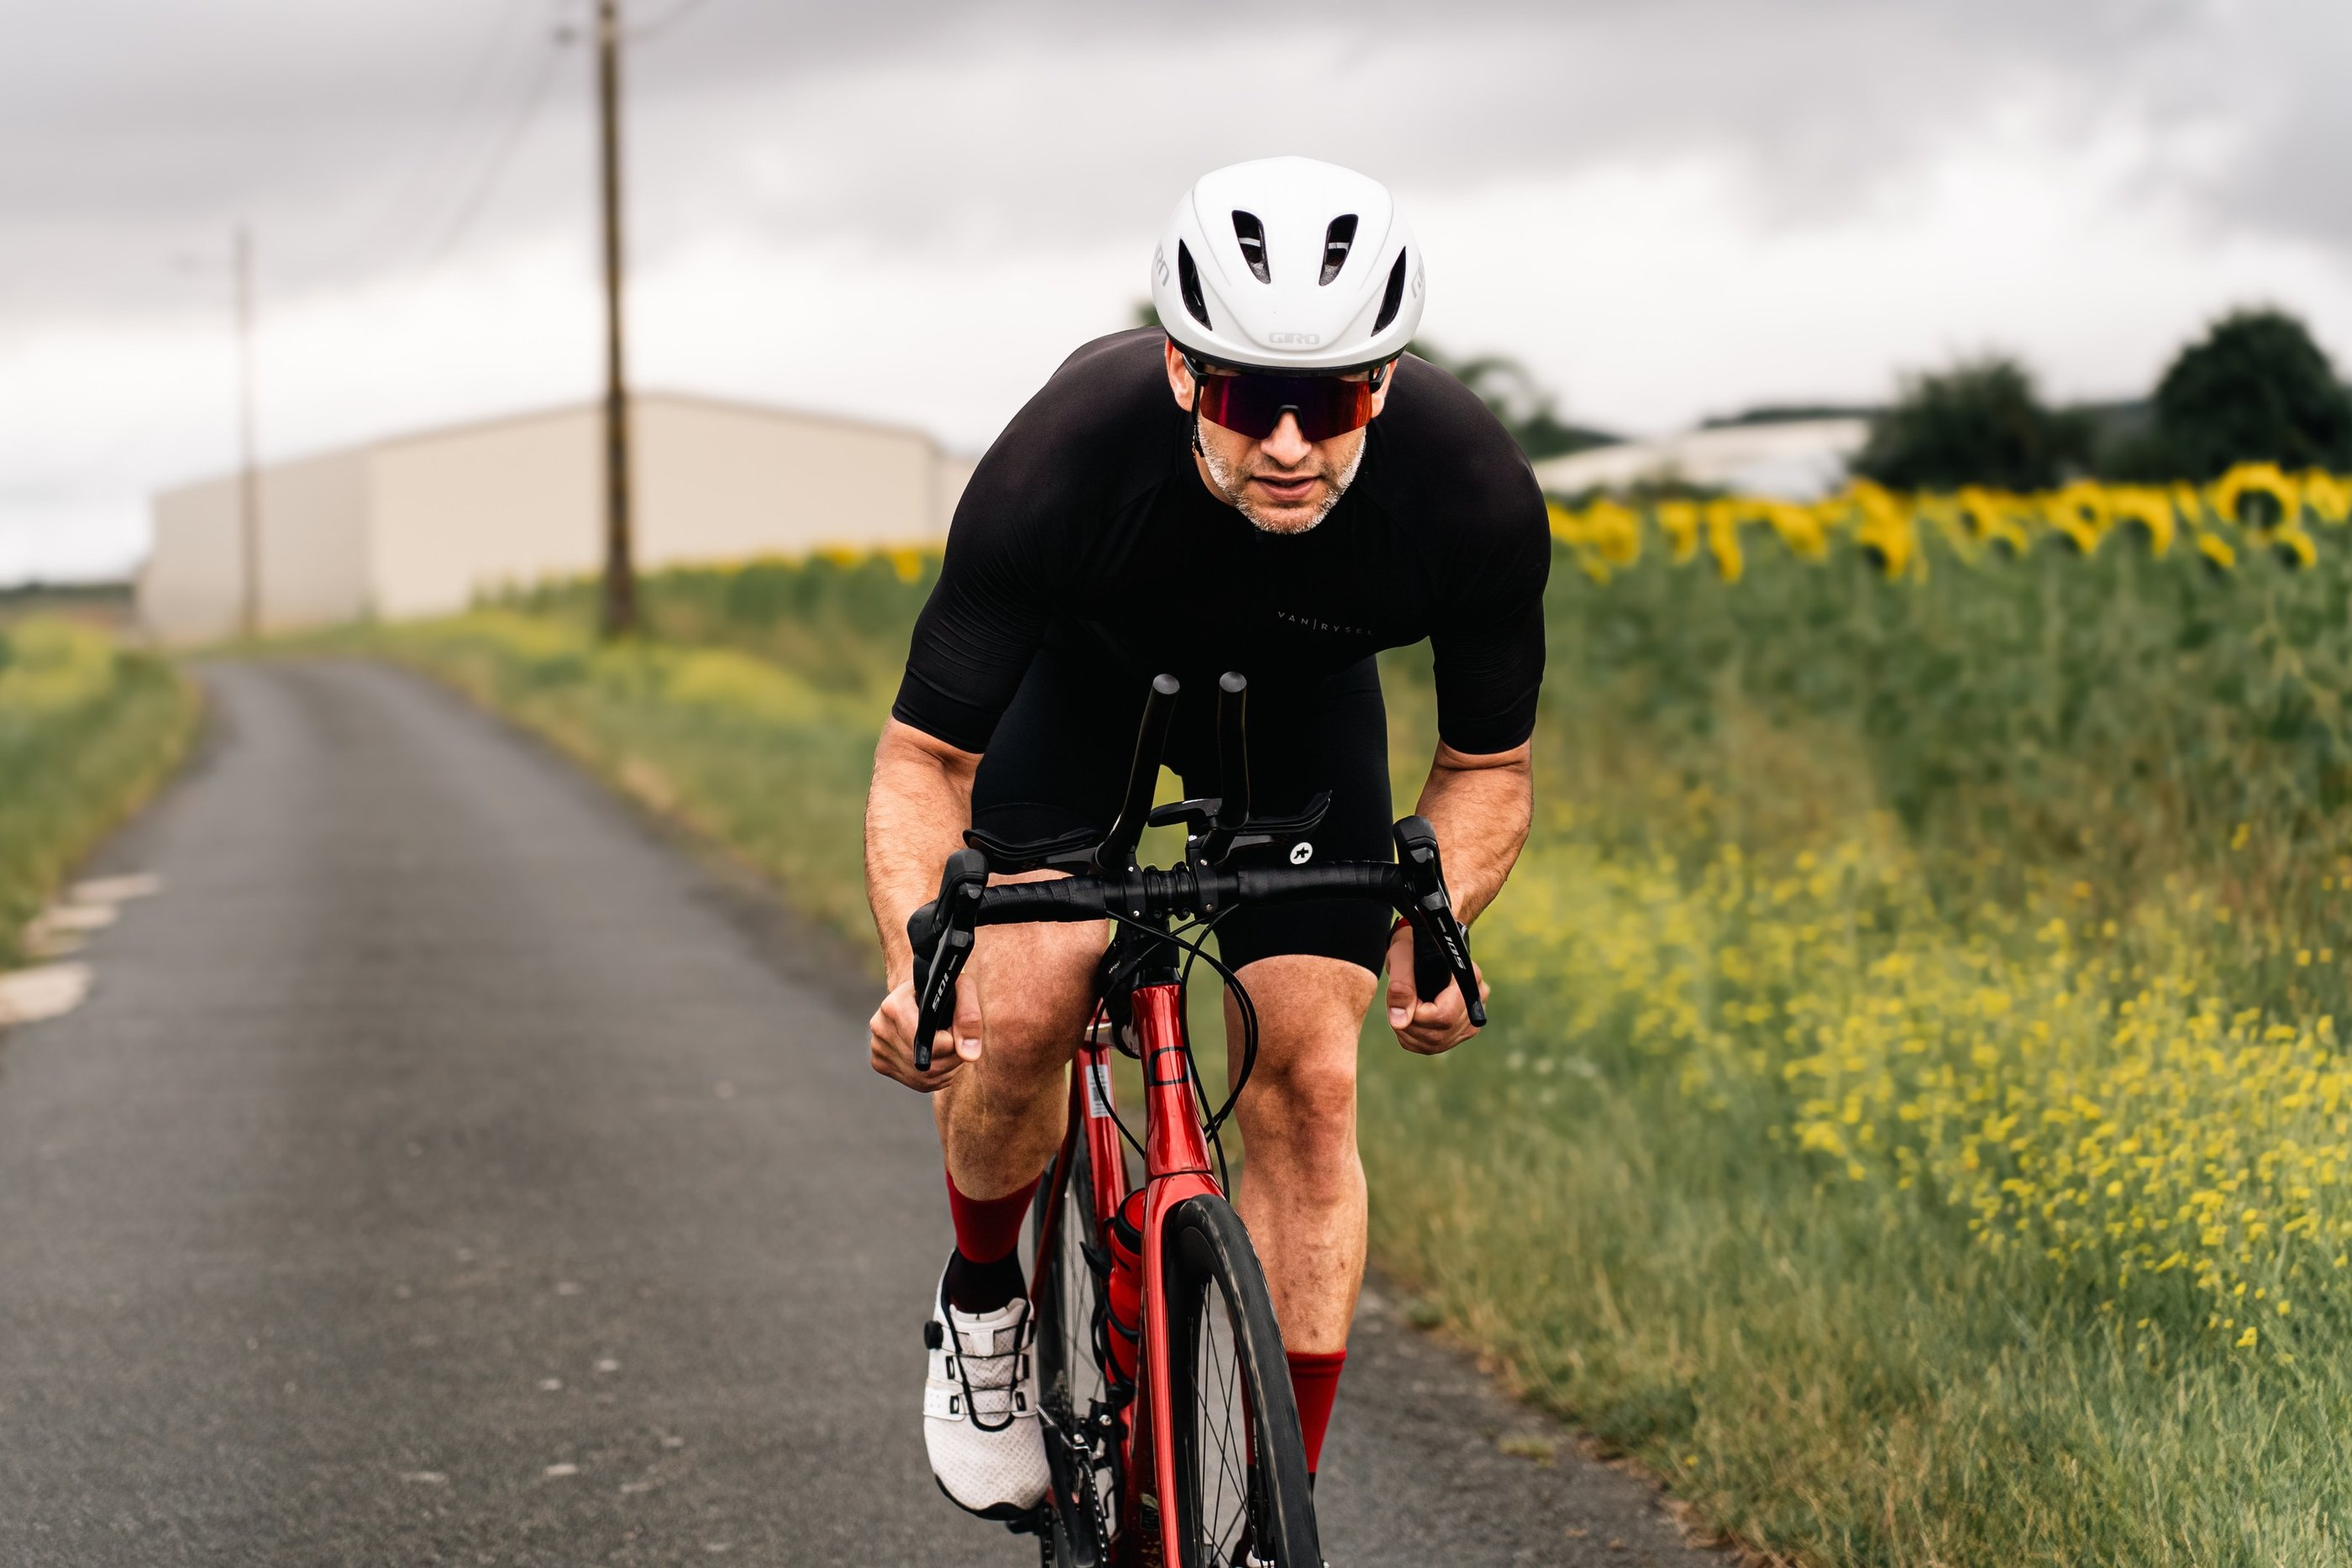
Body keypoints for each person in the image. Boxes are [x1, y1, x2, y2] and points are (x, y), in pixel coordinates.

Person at [863, 155, 1547, 1521]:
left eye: (1333, 401)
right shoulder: (1064, 460)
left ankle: (1266, 1510)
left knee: (1313, 1081)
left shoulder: (1469, 492)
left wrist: (1442, 920)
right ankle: (987, 1300)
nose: (1291, 446)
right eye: (1247, 400)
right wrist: (915, 968)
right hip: (1089, 683)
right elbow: (926, 761)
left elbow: (1487, 768)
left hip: (1301, 713)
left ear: (1388, 385)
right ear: (1183, 374)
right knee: (1031, 998)